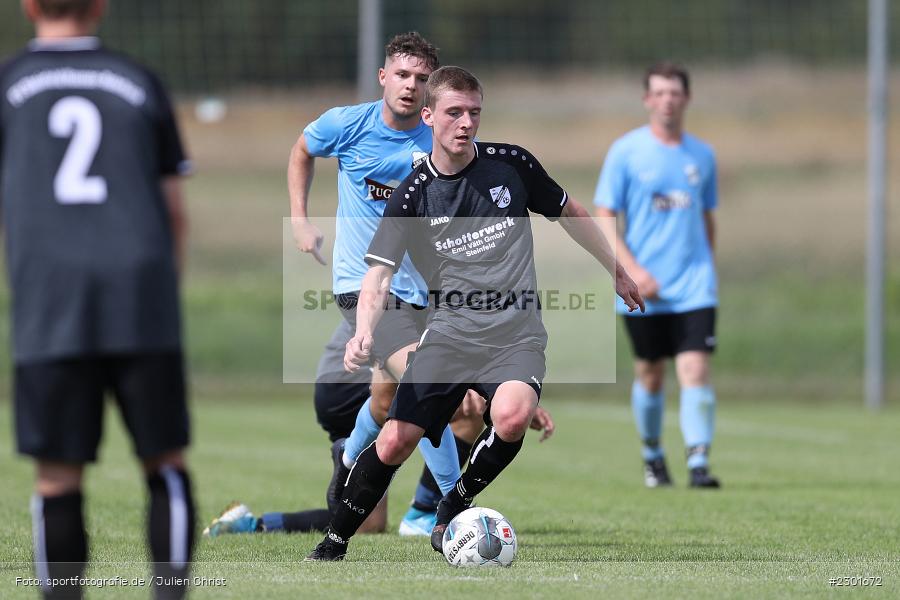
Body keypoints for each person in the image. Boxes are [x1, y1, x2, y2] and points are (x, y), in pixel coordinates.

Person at [305, 65, 643, 561]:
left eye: (474, 113)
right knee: (398, 439)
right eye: (454, 113)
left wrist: (615, 268)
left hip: (516, 336)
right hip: (450, 337)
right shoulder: (414, 194)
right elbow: (377, 274)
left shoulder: (511, 166)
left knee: (511, 415)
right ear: (430, 116)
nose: (466, 123)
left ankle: (450, 508)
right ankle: (334, 541)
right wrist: (364, 332)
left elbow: (570, 211)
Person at [0, 0, 195, 598]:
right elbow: (174, 214)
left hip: (49, 300)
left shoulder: (8, 85)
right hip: (140, 295)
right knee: (165, 462)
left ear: (29, 5)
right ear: (101, 5)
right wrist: (163, 295)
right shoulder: (138, 81)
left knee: (57, 476)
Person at [286, 31, 479, 536]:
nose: (411, 86)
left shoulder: (443, 139)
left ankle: (353, 460)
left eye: (421, 79)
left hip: (422, 295)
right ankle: (449, 514)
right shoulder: (346, 124)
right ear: (383, 77)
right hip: (364, 284)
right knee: (427, 382)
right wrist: (300, 220)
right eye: (402, 75)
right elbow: (303, 150)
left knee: (400, 400)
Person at [202, 320, 555, 537]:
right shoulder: (406, 275)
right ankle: (431, 506)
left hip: (380, 383)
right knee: (461, 404)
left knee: (368, 523)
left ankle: (251, 525)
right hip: (348, 388)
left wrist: (513, 395)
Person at [594, 62, 721, 489]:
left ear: (686, 98)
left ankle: (699, 463)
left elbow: (707, 219)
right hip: (643, 288)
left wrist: (706, 270)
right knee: (650, 373)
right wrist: (629, 270)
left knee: (695, 371)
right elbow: (605, 214)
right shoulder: (626, 152)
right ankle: (653, 456)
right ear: (648, 99)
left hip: (694, 288)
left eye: (675, 92)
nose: (668, 100)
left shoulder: (702, 155)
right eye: (660, 92)